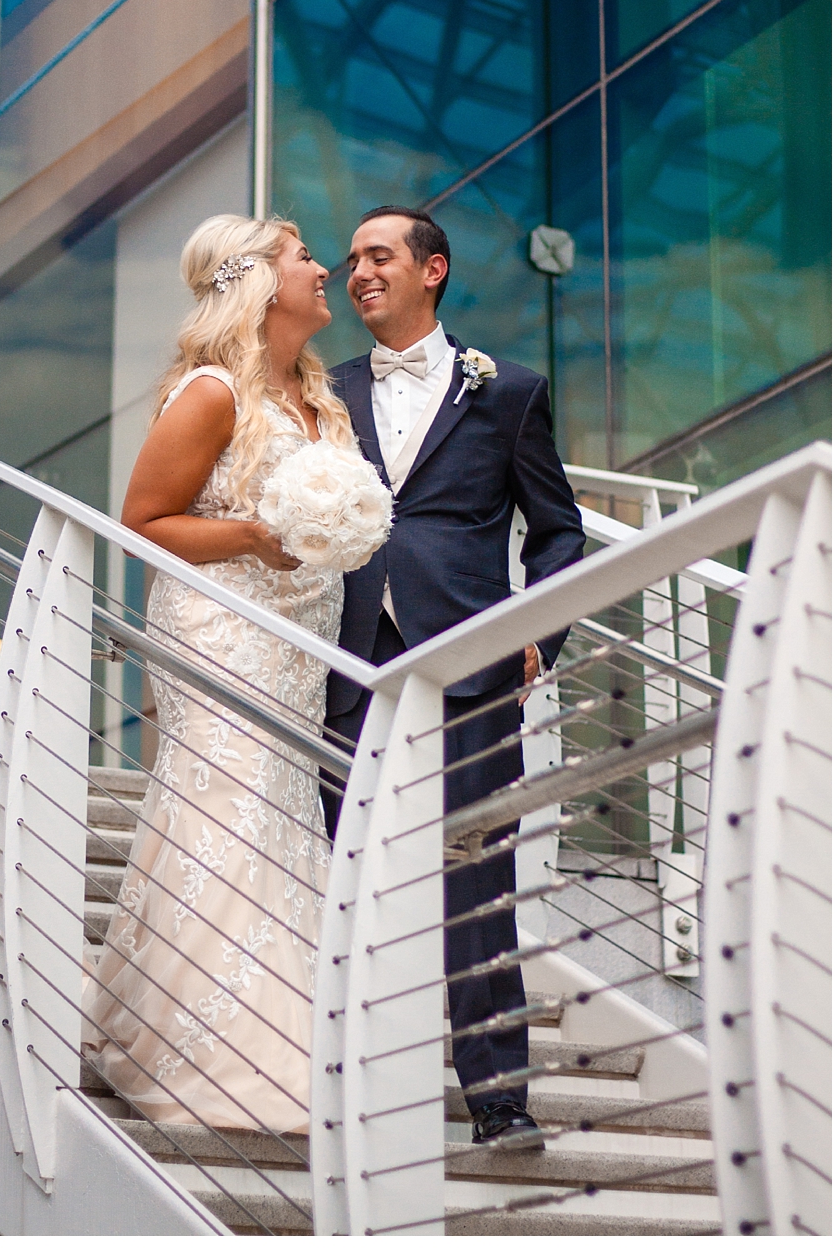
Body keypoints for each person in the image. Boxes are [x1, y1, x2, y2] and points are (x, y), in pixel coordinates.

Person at [322, 205, 585, 1153]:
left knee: (475, 878)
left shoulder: (507, 390)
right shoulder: (322, 387)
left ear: (432, 270)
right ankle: (355, 1087)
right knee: (350, 876)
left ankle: (501, 1103)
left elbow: (559, 532)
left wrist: (535, 635)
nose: (358, 272)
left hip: (471, 671)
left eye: (378, 255)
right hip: (346, 666)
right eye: (350, 259)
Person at [82, 214, 352, 1134]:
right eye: (307, 257)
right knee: (226, 805)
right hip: (223, 629)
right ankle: (214, 1048)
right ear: (259, 281)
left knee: (280, 812)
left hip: (302, 640)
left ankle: (272, 1025)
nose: (327, 271)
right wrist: (250, 536)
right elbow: (144, 521)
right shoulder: (208, 393)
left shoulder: (325, 399)